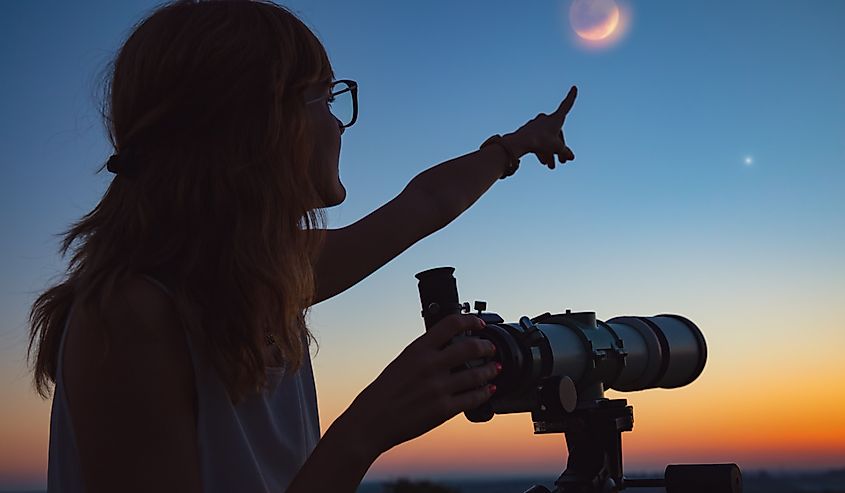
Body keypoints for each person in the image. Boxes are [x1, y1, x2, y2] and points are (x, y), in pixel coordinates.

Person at [27, 1, 578, 492]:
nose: (340, 123)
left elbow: (425, 204)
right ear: (258, 122)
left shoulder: (260, 275)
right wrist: (366, 430)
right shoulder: (128, 316)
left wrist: (512, 147)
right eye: (324, 96)